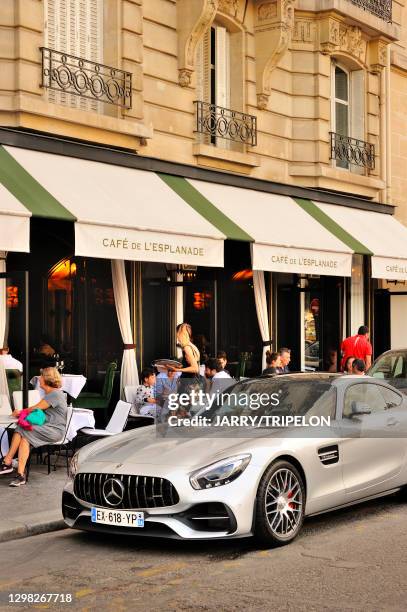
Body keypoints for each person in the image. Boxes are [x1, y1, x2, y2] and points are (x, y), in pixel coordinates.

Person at [0, 367, 67, 487]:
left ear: (46, 379)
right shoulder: (51, 394)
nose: (39, 378)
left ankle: (8, 462)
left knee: (25, 430)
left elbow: (34, 409)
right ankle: (19, 473)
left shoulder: (55, 394)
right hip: (47, 428)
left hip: (55, 430)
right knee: (23, 432)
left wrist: (19, 412)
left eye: (40, 376)